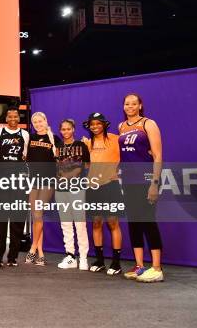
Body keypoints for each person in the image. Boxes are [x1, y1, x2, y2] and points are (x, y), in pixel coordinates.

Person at [119, 94, 164, 282]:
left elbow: (158, 155)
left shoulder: (148, 123)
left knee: (148, 221)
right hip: (129, 180)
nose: (130, 106)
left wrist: (154, 183)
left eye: (134, 103)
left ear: (140, 105)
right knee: (134, 223)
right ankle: (139, 266)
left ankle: (156, 268)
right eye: (127, 104)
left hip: (146, 178)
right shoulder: (121, 126)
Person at [83, 112, 123, 275]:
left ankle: (116, 262)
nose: (95, 127)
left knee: (113, 223)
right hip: (93, 187)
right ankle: (100, 260)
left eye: (98, 123)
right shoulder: (87, 143)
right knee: (96, 223)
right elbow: (85, 165)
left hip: (111, 186)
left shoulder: (116, 139)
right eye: (92, 124)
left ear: (104, 124)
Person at [0, 106, 29, 268]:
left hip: (19, 181)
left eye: (16, 116)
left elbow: (25, 156)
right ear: (6, 119)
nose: (13, 119)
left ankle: (12, 257)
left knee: (17, 220)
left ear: (18, 118)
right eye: (10, 116)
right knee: (1, 220)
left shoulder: (25, 135)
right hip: (2, 181)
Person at [25, 112, 61, 266]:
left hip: (47, 181)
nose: (38, 124)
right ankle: (40, 252)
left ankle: (33, 248)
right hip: (33, 181)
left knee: (38, 213)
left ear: (46, 121)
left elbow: (61, 161)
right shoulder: (30, 138)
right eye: (35, 122)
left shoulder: (55, 139)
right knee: (35, 216)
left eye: (40, 121)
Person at [55, 119, 90, 271]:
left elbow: (84, 166)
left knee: (80, 223)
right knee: (66, 224)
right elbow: (56, 167)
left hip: (77, 189)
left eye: (68, 129)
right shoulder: (58, 147)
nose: (66, 132)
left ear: (73, 129)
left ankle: (83, 257)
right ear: (60, 131)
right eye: (63, 129)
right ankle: (70, 256)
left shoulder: (81, 146)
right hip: (60, 190)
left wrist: (69, 176)